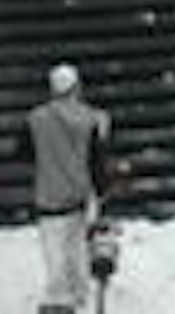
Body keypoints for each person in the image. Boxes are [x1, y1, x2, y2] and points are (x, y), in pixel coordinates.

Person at [24, 63, 110, 314]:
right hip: (79, 195)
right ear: (77, 87)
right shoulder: (91, 118)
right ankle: (79, 293)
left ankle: (59, 299)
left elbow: (22, 152)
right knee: (77, 248)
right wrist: (102, 189)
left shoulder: (35, 119)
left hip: (48, 195)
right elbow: (97, 160)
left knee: (54, 252)